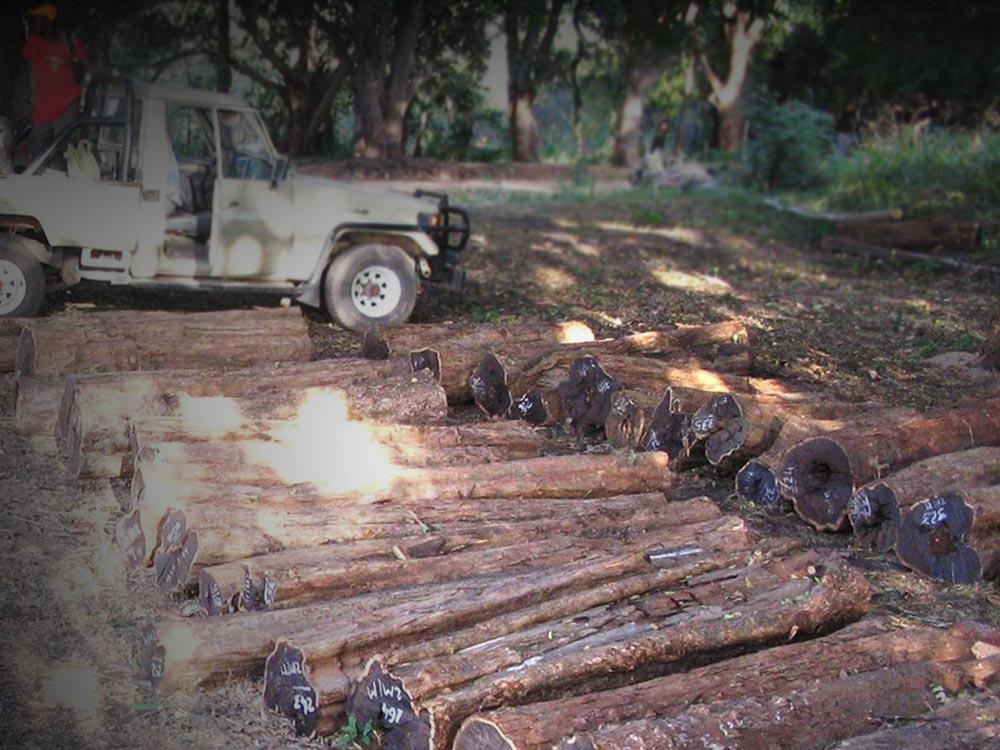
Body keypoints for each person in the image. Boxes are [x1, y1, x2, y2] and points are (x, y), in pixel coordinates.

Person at [21, 3, 96, 159]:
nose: (34, 22)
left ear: (48, 21)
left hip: (67, 107)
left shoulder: (70, 42)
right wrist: (32, 101)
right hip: (42, 108)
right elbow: (32, 74)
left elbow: (89, 68)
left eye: (37, 19)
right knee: (38, 156)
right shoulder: (33, 42)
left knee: (66, 153)